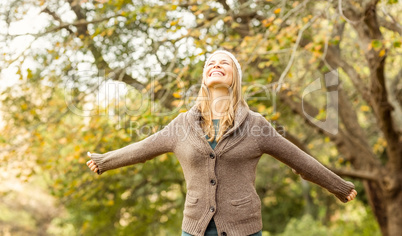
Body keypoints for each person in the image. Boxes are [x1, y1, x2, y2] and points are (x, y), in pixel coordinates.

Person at [86, 50, 357, 236]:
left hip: (244, 229)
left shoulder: (255, 124)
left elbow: (300, 161)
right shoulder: (183, 125)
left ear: (235, 77)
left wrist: (339, 187)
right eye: (210, 64)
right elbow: (142, 149)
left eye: (223, 63)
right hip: (194, 228)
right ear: (204, 78)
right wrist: (104, 161)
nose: (215, 65)